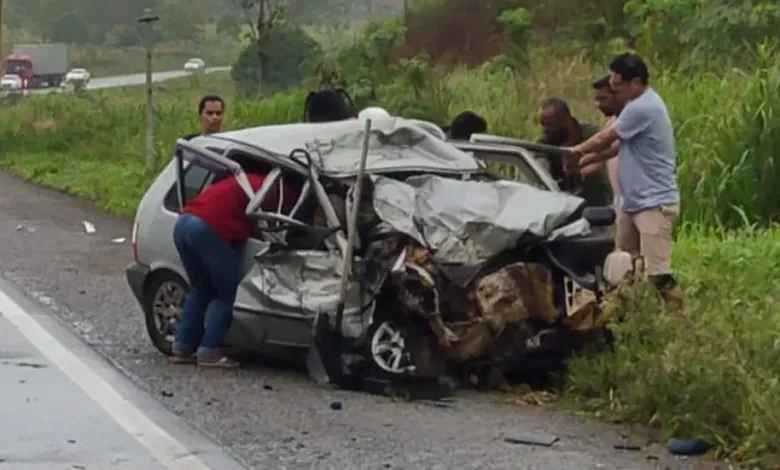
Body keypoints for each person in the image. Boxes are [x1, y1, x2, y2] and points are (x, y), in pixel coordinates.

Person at [569, 53, 684, 310]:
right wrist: (587, 159)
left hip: (654, 204)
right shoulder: (635, 107)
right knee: (622, 267)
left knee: (659, 274)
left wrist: (575, 151)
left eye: (617, 87)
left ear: (635, 83)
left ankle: (680, 322)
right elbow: (617, 147)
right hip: (633, 202)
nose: (615, 92)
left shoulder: (643, 107)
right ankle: (630, 318)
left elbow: (605, 138)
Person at [170, 164, 295, 368]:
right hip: (207, 229)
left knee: (200, 288)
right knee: (227, 291)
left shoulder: (244, 181)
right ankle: (209, 351)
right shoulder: (277, 192)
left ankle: (182, 346)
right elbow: (276, 221)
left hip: (183, 223)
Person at [536, 98, 611, 206]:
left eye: (550, 125)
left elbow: (605, 160)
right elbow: (539, 166)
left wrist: (579, 164)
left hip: (597, 202)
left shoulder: (590, 135)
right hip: (561, 203)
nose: (545, 130)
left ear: (565, 121)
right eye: (543, 124)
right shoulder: (545, 143)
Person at [591, 74, 624, 209]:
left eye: (603, 99)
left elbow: (600, 143)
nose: (598, 105)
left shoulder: (632, 122)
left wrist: (579, 151)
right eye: (597, 100)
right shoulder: (611, 122)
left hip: (645, 203)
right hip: (621, 202)